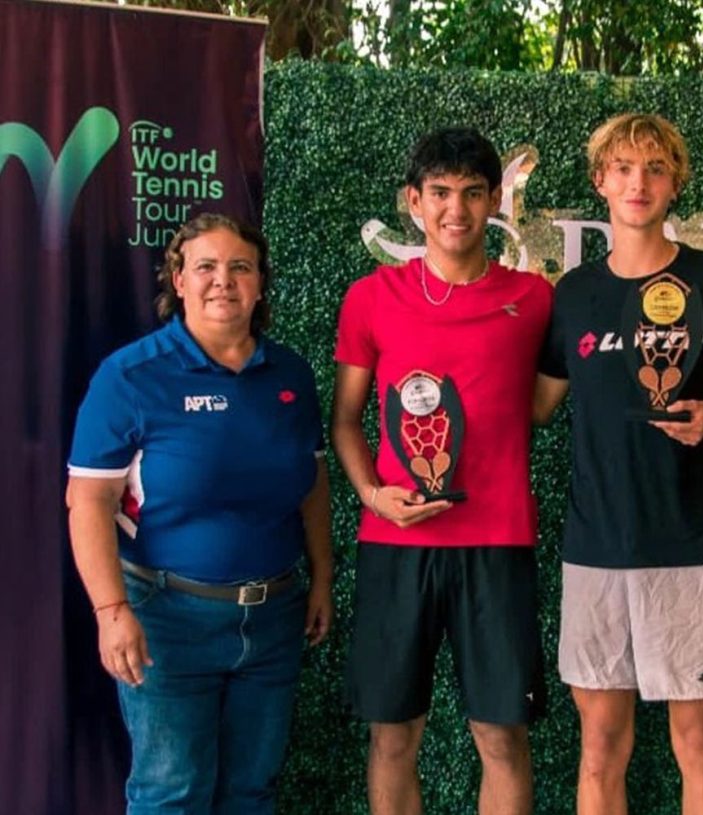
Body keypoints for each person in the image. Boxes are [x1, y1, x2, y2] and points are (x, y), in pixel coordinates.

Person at [533, 113, 703, 815]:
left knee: (698, 745)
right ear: (600, 182)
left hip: (691, 548)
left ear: (675, 184)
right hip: (596, 551)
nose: (638, 182)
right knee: (600, 748)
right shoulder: (573, 293)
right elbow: (538, 405)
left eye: (655, 169)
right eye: (623, 168)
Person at [66, 213, 333, 815]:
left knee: (251, 793)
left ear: (260, 283)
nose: (223, 281)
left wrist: (322, 578)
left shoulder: (290, 374)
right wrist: (111, 612)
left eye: (241, 267)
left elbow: (312, 483)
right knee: (171, 794)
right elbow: (87, 502)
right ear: (179, 280)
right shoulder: (131, 376)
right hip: (166, 621)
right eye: (206, 267)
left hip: (274, 620)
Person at [332, 127, 552, 815]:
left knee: (502, 736)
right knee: (393, 736)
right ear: (414, 201)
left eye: (472, 193)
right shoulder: (372, 296)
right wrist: (374, 496)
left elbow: (543, 405)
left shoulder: (534, 299)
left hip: (498, 543)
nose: (456, 209)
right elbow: (344, 421)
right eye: (440, 193)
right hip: (396, 543)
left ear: (494, 201)